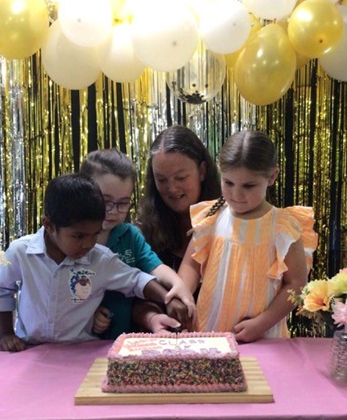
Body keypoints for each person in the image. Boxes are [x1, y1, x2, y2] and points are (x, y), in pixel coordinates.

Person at [0, 173, 193, 352]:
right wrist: (6, 334)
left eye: (94, 234)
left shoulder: (100, 259)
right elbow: (1, 291)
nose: (88, 244)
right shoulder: (20, 252)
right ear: (50, 225)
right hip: (30, 350)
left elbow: (137, 280)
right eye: (78, 236)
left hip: (80, 352)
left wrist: (168, 299)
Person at [178, 130, 318, 342]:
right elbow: (191, 265)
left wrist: (261, 324)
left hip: (262, 337)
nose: (236, 194)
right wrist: (184, 297)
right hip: (209, 330)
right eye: (229, 183)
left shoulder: (282, 226)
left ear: (272, 177)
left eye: (248, 185)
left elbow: (296, 283)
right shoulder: (212, 217)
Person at [80, 148, 195, 338]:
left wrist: (177, 284)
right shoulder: (72, 241)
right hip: (80, 344)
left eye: (123, 203)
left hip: (124, 340)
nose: (113, 211)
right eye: (106, 201)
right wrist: (88, 313)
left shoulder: (130, 236)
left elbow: (155, 267)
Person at [135, 124, 221, 272]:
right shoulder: (143, 230)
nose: (172, 188)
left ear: (202, 171)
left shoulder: (227, 220)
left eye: (181, 178)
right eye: (161, 180)